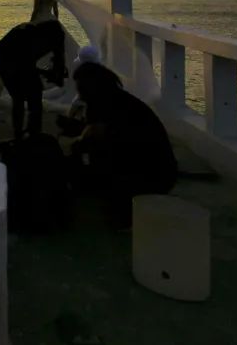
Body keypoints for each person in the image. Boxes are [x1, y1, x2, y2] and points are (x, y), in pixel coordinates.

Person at [68, 62, 178, 227]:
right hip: (158, 172)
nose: (81, 96)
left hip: (149, 177)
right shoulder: (120, 102)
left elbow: (99, 144)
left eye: (82, 90)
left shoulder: (107, 107)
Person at [0, 18, 66, 139]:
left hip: (13, 59)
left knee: (30, 96)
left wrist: (56, 73)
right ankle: (24, 133)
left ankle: (30, 132)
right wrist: (49, 74)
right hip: (5, 59)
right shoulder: (30, 38)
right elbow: (25, 65)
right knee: (23, 97)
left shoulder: (50, 35)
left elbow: (58, 58)